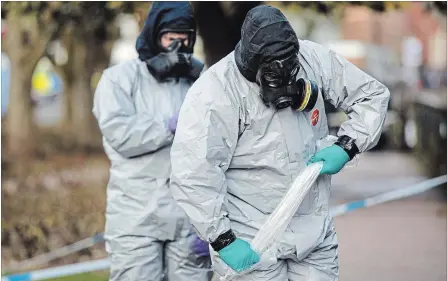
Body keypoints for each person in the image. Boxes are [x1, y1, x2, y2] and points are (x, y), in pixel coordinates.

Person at [170, 5, 390, 281]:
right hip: (250, 238)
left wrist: (348, 145)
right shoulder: (215, 93)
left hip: (313, 234)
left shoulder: (313, 59)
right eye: (274, 76)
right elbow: (193, 173)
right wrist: (222, 239)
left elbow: (372, 96)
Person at [92, 2, 211, 281]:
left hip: (188, 221)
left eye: (185, 38)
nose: (179, 46)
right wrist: (168, 127)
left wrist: (211, 225)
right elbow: (120, 134)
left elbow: (216, 152)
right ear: (155, 34)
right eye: (171, 37)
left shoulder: (199, 83)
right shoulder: (118, 80)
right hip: (136, 219)